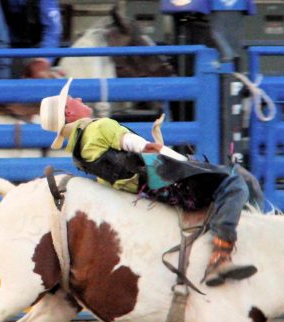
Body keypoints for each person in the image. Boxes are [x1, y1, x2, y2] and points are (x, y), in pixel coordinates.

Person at [39, 79, 258, 287]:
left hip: (153, 192)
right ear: (69, 113)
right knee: (235, 182)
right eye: (71, 100)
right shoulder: (101, 127)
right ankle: (222, 256)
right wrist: (179, 160)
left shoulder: (80, 155)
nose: (77, 98)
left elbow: (110, 182)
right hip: (171, 179)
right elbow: (141, 146)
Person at [0, 0, 62, 78]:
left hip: (34, 49)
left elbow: (52, 29)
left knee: (40, 75)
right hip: (0, 48)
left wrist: (44, 59)